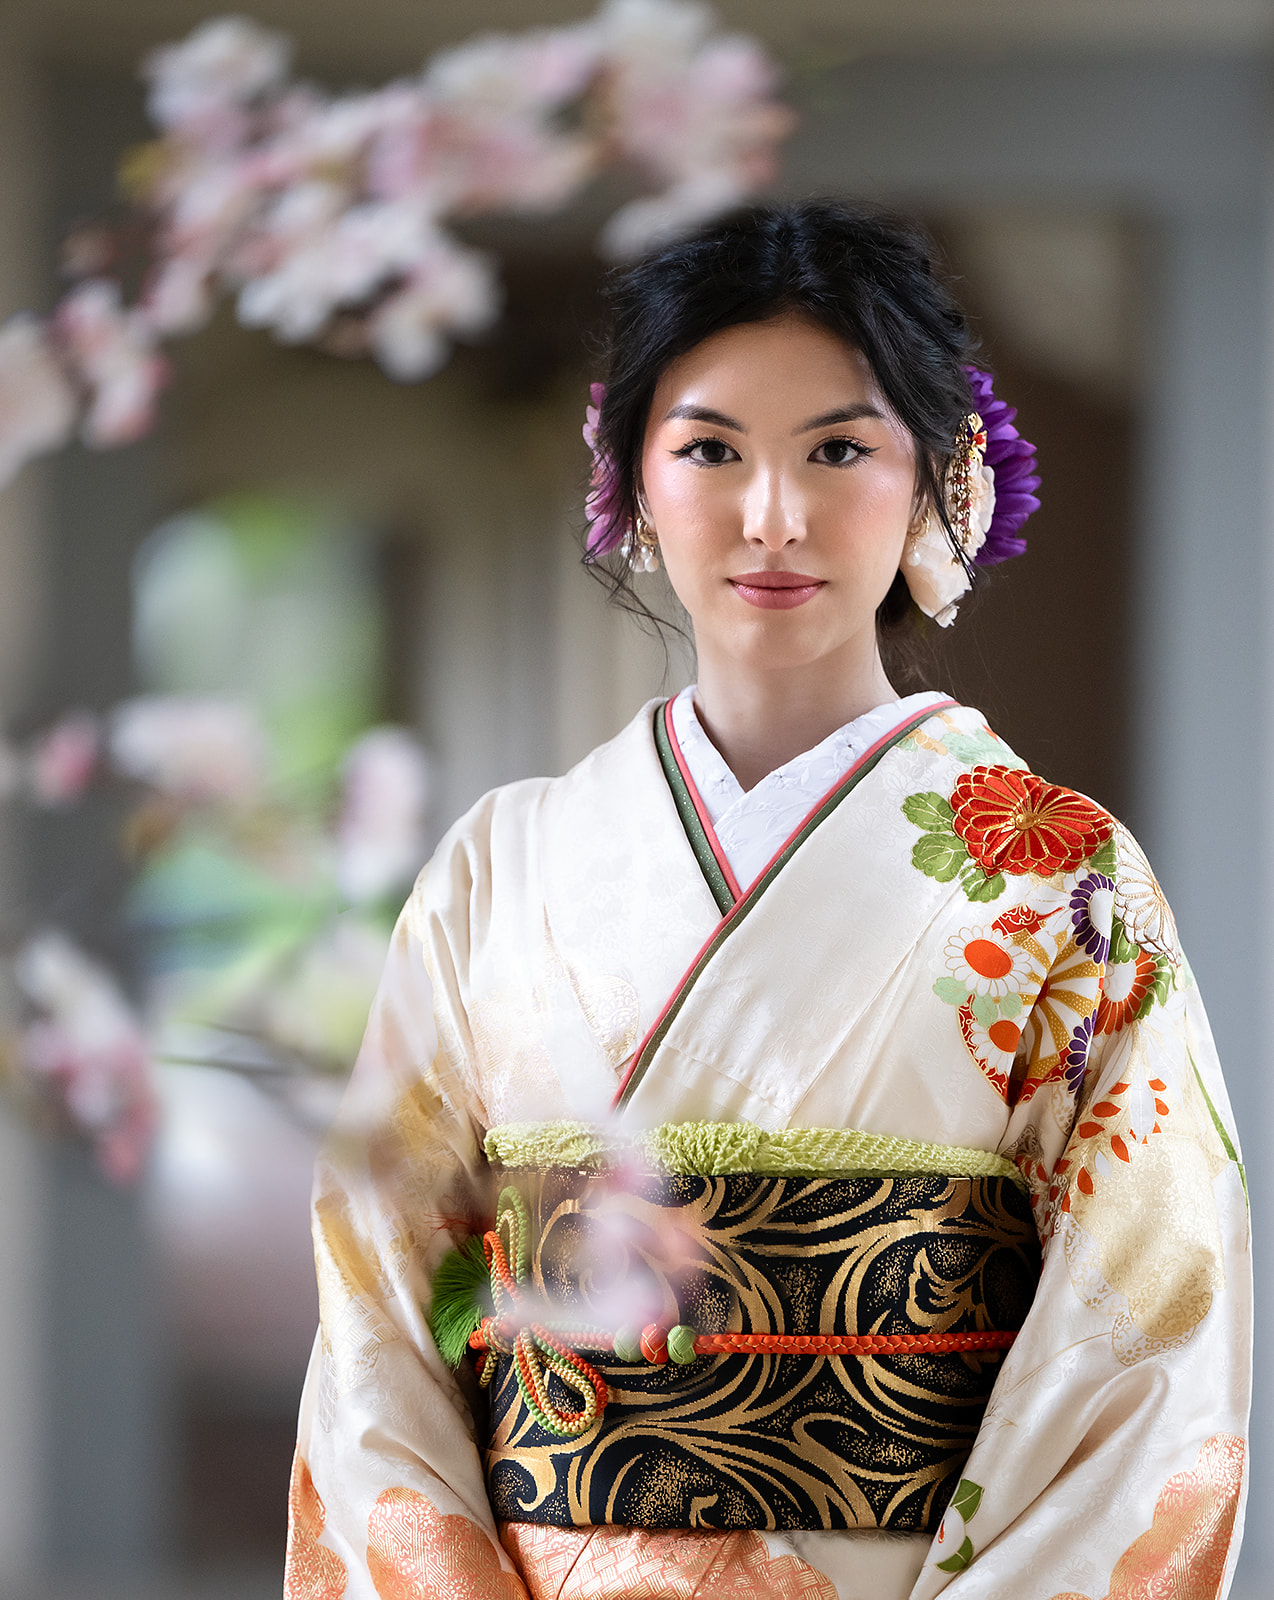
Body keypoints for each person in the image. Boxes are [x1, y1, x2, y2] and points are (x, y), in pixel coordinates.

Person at [284, 202, 1250, 1600]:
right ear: (629, 481)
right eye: (710, 449)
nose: (771, 516)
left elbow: (1151, 1317)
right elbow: (376, 1299)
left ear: (937, 481)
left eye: (839, 449)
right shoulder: (501, 866)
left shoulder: (1058, 873)